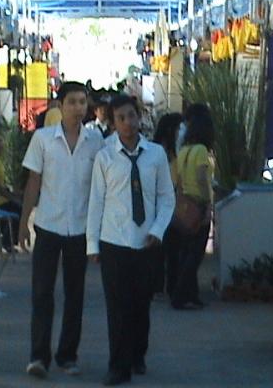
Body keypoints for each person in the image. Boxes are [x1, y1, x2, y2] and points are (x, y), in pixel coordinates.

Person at [86, 95, 175, 386]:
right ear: (113, 123)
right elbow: (96, 202)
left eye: (131, 116)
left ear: (139, 117)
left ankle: (137, 353)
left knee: (140, 305)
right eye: (121, 118)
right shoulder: (105, 157)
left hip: (146, 242)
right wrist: (92, 244)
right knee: (117, 308)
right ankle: (118, 366)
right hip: (114, 241)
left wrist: (158, 230)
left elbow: (166, 198)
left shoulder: (156, 155)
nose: (128, 123)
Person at [18, 82, 104, 380]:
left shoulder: (96, 142)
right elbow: (33, 182)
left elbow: (102, 186)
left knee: (75, 295)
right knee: (42, 293)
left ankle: (68, 355)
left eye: (82, 102)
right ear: (60, 105)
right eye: (72, 102)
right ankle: (38, 356)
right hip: (48, 226)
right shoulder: (43, 139)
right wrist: (23, 223)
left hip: (80, 229)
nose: (78, 108)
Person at [170, 104, 214, 310]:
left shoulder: (184, 151)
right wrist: (207, 204)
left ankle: (191, 294)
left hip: (185, 204)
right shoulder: (201, 151)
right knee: (195, 254)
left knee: (186, 250)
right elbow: (202, 178)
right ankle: (181, 294)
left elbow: (177, 180)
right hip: (198, 204)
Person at [152, 112, 183, 297]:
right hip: (159, 205)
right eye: (179, 128)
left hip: (172, 203)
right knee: (162, 248)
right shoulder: (158, 152)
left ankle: (169, 285)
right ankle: (159, 285)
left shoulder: (174, 151)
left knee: (171, 248)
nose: (181, 131)